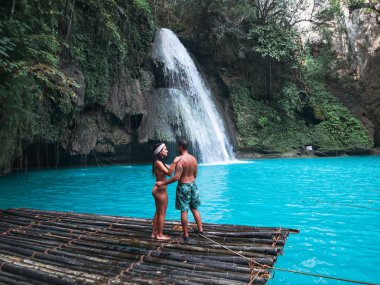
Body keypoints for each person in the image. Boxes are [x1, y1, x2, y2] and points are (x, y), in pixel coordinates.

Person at [156, 139, 203, 241]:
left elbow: (176, 177)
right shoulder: (194, 159)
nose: (177, 148)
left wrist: (163, 183)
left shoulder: (180, 160)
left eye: (178, 146)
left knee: (184, 211)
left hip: (183, 186)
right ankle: (200, 229)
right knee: (194, 208)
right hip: (193, 185)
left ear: (181, 147)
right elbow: (195, 175)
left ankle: (185, 234)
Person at [151, 142, 181, 240]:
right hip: (160, 190)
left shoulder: (159, 162)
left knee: (158, 212)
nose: (167, 150)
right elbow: (169, 173)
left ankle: (154, 233)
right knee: (162, 213)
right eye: (165, 149)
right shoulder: (158, 163)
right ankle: (160, 235)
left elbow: (170, 168)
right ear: (160, 152)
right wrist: (175, 161)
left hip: (158, 189)